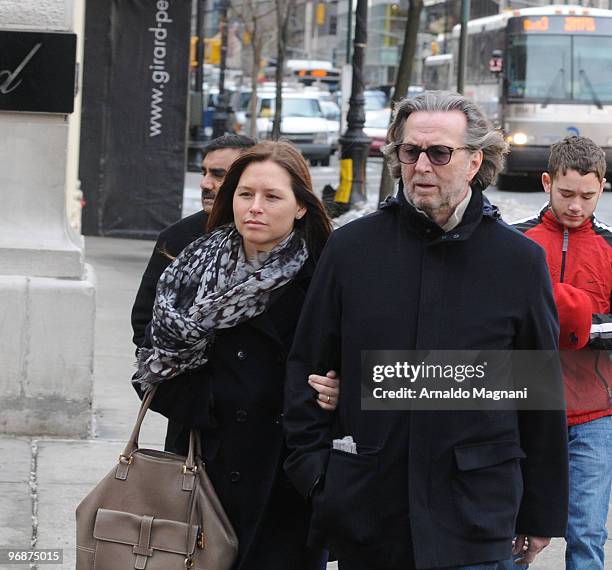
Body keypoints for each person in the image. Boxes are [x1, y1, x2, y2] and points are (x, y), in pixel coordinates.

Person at [283, 91, 569, 570]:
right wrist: (316, 474)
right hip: (369, 514)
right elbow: (307, 368)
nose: (420, 166)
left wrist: (540, 512)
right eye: (409, 151)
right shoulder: (351, 250)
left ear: (475, 161)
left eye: (439, 153)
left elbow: (538, 400)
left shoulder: (518, 262)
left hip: (475, 518)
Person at [132, 141, 338, 570]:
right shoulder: (191, 261)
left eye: (272, 197)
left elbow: (350, 357)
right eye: (245, 195)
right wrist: (207, 403)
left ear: (301, 206)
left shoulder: (327, 272)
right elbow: (151, 357)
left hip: (287, 473)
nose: (255, 208)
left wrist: (340, 392)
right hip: (202, 459)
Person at [514, 136, 612, 570]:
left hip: (592, 412)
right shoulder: (516, 242)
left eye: (587, 196)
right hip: (521, 408)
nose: (576, 206)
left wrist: (564, 317)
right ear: (546, 182)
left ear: (602, 188)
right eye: (566, 194)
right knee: (507, 528)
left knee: (587, 533)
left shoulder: (611, 247)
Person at [131, 134, 256, 349]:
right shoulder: (177, 238)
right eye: (204, 172)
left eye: (218, 175)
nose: (205, 183)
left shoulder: (279, 240)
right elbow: (144, 322)